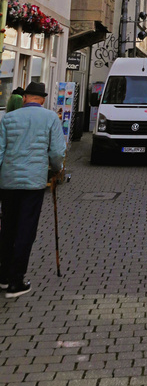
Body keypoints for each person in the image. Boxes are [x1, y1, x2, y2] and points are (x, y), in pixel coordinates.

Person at [0, 81, 66, 298]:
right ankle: (16, 282)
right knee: (25, 230)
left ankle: (3, 276)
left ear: (26, 98)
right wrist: (57, 170)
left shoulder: (8, 118)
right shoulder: (50, 118)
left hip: (8, 181)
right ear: (43, 99)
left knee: (7, 227)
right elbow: (57, 152)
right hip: (33, 182)